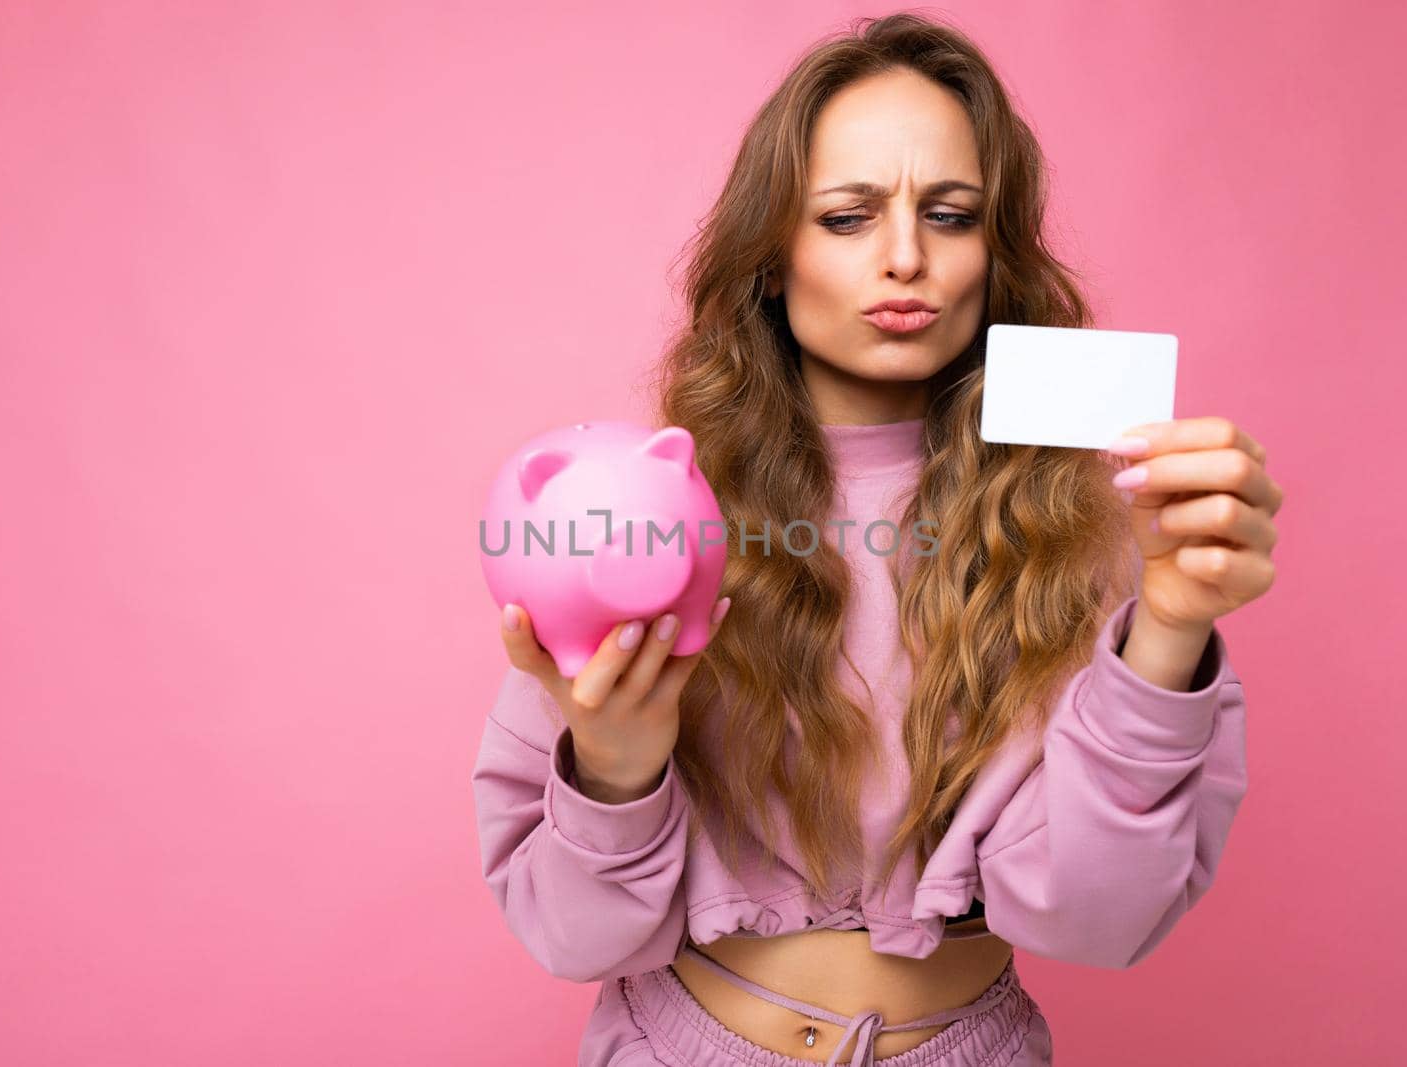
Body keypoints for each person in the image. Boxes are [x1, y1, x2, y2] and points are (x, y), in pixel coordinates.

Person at [470, 12, 1283, 1066]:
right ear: (770, 258)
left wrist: (1168, 634)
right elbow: (571, 934)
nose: (906, 257)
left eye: (950, 215)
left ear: (996, 258)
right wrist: (616, 769)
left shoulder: (1096, 527)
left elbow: (1100, 920)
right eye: (848, 217)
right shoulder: (649, 516)